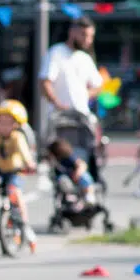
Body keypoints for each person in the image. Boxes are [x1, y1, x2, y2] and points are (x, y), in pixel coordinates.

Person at [39, 16, 103, 176]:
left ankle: (89, 178)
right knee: (60, 153)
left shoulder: (85, 58)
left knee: (92, 148)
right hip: (60, 117)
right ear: (72, 32)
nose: (87, 40)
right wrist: (56, 102)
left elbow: (98, 85)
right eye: (84, 35)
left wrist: (85, 94)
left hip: (81, 117)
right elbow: (45, 81)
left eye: (90, 36)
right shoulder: (56, 52)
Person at [0, 100, 37, 249]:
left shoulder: (17, 137)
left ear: (16, 124)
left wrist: (29, 164)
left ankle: (24, 223)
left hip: (15, 170)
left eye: (9, 122)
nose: (4, 126)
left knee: (15, 193)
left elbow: (24, 152)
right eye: (2, 122)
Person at [47, 138, 97, 206]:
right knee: (63, 180)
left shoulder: (68, 158)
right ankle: (69, 197)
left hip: (75, 178)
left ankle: (89, 196)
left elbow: (82, 165)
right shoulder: (54, 162)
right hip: (65, 181)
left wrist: (77, 174)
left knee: (85, 177)